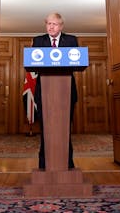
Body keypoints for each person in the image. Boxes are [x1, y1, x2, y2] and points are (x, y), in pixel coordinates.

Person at [32, 12, 78, 170]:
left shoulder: (71, 40)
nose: (51, 27)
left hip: (66, 92)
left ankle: (67, 163)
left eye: (54, 24)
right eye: (48, 24)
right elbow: (33, 63)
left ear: (61, 26)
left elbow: (76, 62)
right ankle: (44, 163)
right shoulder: (39, 40)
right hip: (44, 92)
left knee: (65, 128)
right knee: (46, 128)